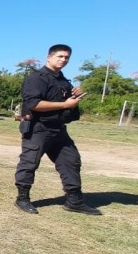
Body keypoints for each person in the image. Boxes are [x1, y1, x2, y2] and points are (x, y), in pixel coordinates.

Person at [14, 44, 102, 215]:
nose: (63, 60)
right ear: (49, 57)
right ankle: (22, 198)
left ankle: (74, 201)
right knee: (29, 162)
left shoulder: (62, 80)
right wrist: (65, 104)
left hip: (58, 129)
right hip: (38, 128)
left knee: (71, 161)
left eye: (66, 57)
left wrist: (74, 97)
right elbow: (33, 104)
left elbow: (67, 106)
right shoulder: (37, 78)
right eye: (60, 56)